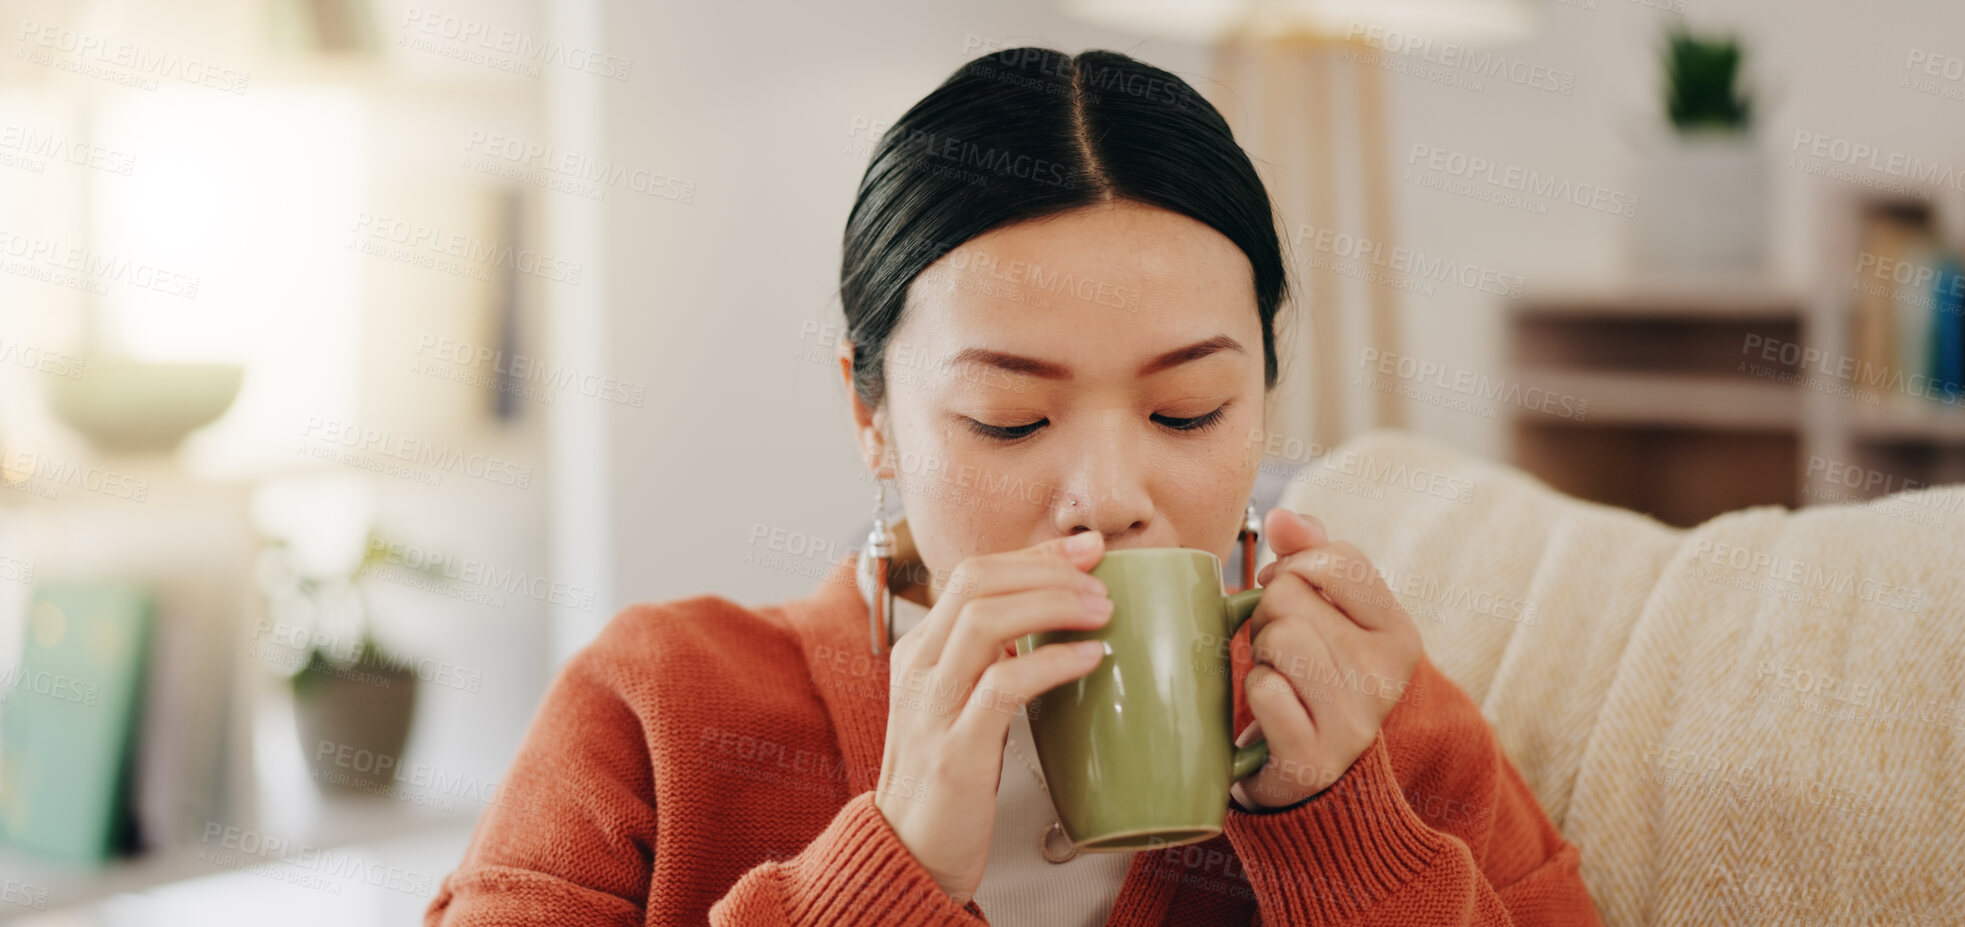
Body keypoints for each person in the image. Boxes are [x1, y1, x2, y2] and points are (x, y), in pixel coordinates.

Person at [424, 47, 1601, 926]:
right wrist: (891, 868)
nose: (1105, 495)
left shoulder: (1372, 724)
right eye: (1008, 419)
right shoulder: (655, 713)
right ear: (868, 413)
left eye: (1187, 410)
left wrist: (1340, 839)